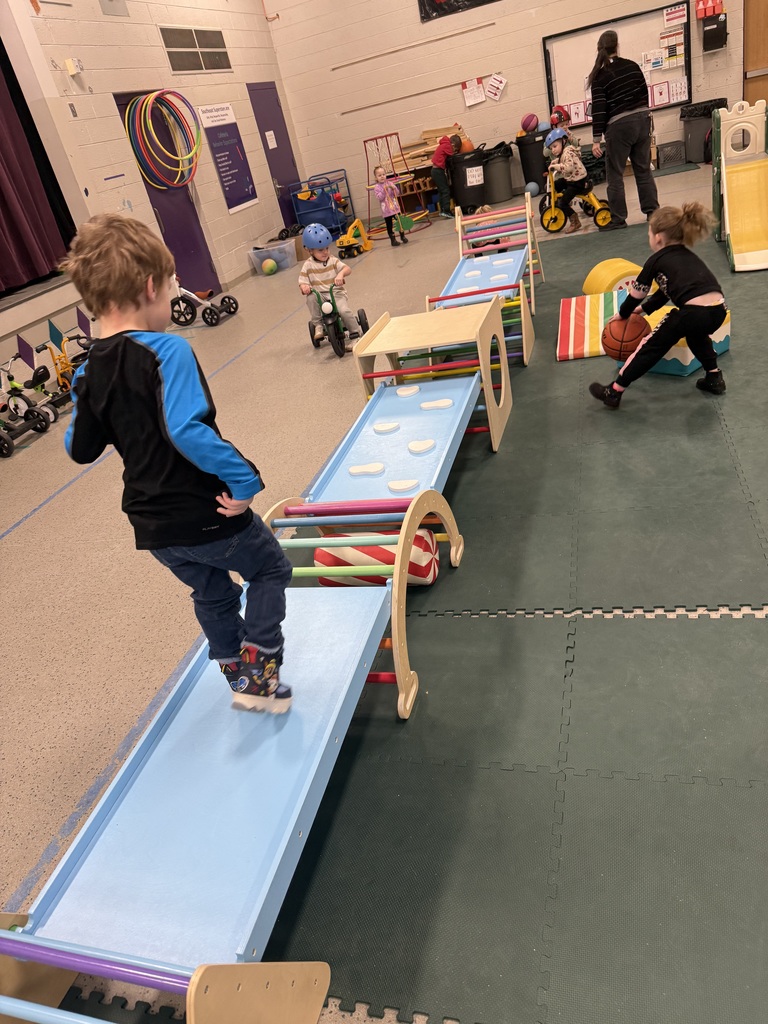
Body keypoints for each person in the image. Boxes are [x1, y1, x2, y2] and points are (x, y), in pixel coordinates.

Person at [61, 214, 293, 712]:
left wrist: (86, 393)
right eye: (171, 291)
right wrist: (246, 480)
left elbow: (78, 449)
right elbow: (188, 430)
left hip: (154, 527)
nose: (172, 302)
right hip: (207, 513)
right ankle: (261, 663)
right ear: (150, 287)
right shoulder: (168, 350)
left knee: (210, 593)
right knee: (270, 570)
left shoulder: (86, 370)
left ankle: (234, 670)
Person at [589, 202, 727, 409]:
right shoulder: (688, 256)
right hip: (718, 310)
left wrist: (624, 313)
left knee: (650, 346)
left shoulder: (655, 260)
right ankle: (714, 377)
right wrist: (643, 310)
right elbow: (664, 292)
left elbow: (637, 293)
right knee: (696, 335)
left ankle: (614, 391)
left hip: (692, 313)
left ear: (659, 238)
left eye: (649, 234)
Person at [588, 30, 659, 231]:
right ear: (617, 46)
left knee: (615, 174)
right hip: (643, 120)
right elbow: (645, 95)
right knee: (643, 169)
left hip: (619, 127)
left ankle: (618, 218)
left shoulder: (600, 77)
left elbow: (599, 109)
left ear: (599, 49)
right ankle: (652, 212)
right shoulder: (632, 66)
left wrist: (595, 139)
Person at [298, 223, 360, 345]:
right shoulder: (308, 265)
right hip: (320, 296)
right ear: (309, 250)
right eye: (320, 250)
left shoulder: (332, 260)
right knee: (310, 297)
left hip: (335, 293)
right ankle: (318, 325)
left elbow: (347, 269)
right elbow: (302, 281)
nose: (325, 252)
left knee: (343, 311)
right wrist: (304, 287)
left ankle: (355, 335)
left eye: (327, 248)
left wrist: (340, 274)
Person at [546, 127, 589, 234]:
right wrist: (555, 162)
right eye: (551, 148)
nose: (553, 150)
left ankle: (575, 221)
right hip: (571, 180)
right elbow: (561, 160)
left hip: (577, 183)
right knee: (555, 185)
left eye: (555, 146)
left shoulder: (567, 153)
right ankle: (556, 202)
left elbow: (568, 168)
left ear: (563, 141)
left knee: (563, 203)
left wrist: (556, 166)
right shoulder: (564, 152)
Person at [372, 165, 409, 247]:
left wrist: (394, 188)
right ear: (376, 177)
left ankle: (402, 236)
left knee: (400, 222)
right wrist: (384, 190)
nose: (382, 177)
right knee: (389, 225)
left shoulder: (390, 183)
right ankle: (393, 240)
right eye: (379, 175)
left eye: (383, 174)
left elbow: (397, 193)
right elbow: (379, 198)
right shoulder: (377, 187)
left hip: (395, 208)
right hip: (386, 210)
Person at [431, 133, 461, 219]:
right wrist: (456, 152)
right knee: (445, 190)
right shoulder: (447, 146)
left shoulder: (444, 144)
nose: (454, 150)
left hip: (435, 170)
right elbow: (453, 155)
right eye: (455, 148)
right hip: (438, 171)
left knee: (441, 191)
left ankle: (442, 210)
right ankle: (446, 211)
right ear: (453, 144)